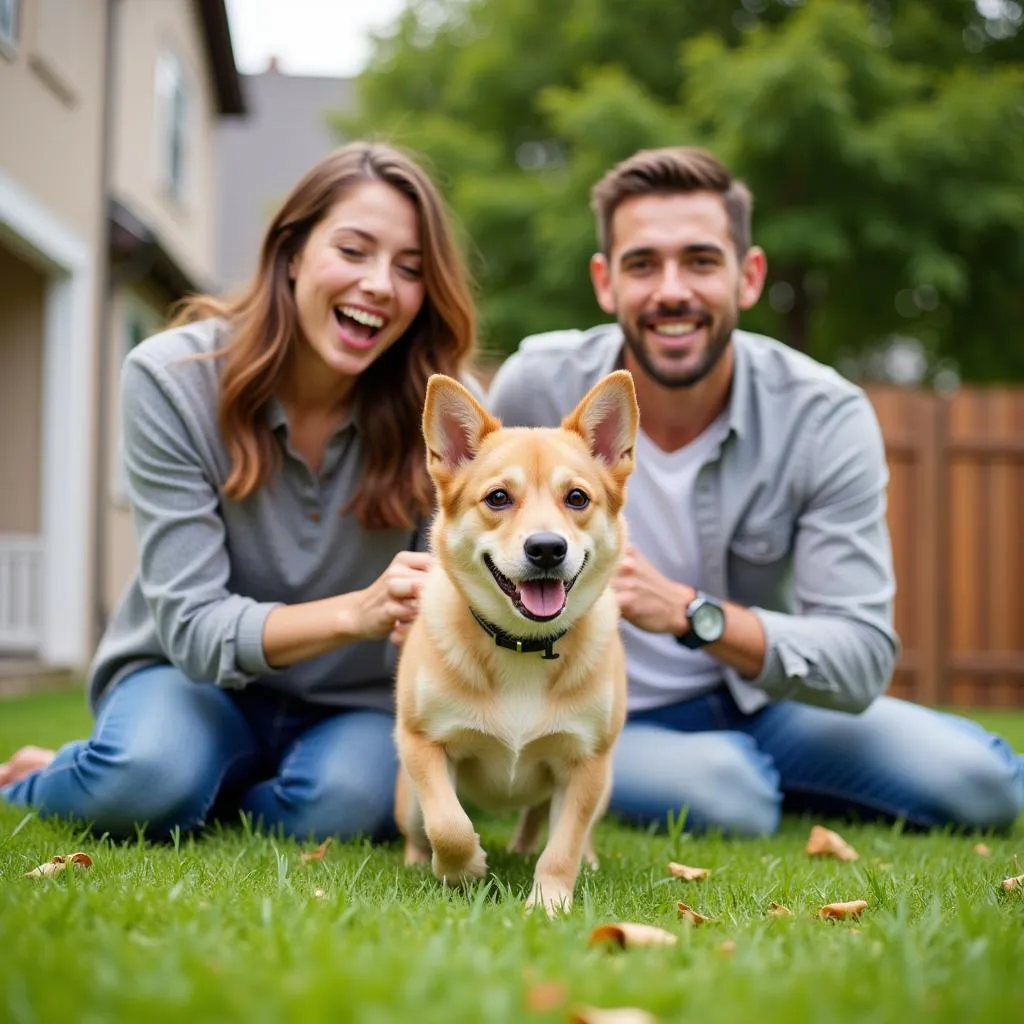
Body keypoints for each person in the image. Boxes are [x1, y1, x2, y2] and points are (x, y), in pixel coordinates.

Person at [486, 146, 1023, 836]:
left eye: (702, 262)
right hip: (580, 706)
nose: (671, 290)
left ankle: (747, 768)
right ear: (605, 282)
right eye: (642, 264)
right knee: (727, 796)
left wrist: (688, 612)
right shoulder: (537, 384)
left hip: (760, 699)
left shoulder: (822, 415)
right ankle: (695, 774)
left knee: (983, 784)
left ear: (749, 276)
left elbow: (860, 655)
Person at [0, 142, 476, 842]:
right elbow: (192, 628)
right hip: (190, 681)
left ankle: (202, 788)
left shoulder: (443, 414)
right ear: (290, 252)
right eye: (353, 250)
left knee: (343, 808)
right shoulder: (172, 378)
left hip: (351, 703)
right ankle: (76, 777)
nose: (381, 285)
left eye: (410, 270)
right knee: (147, 778)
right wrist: (360, 611)